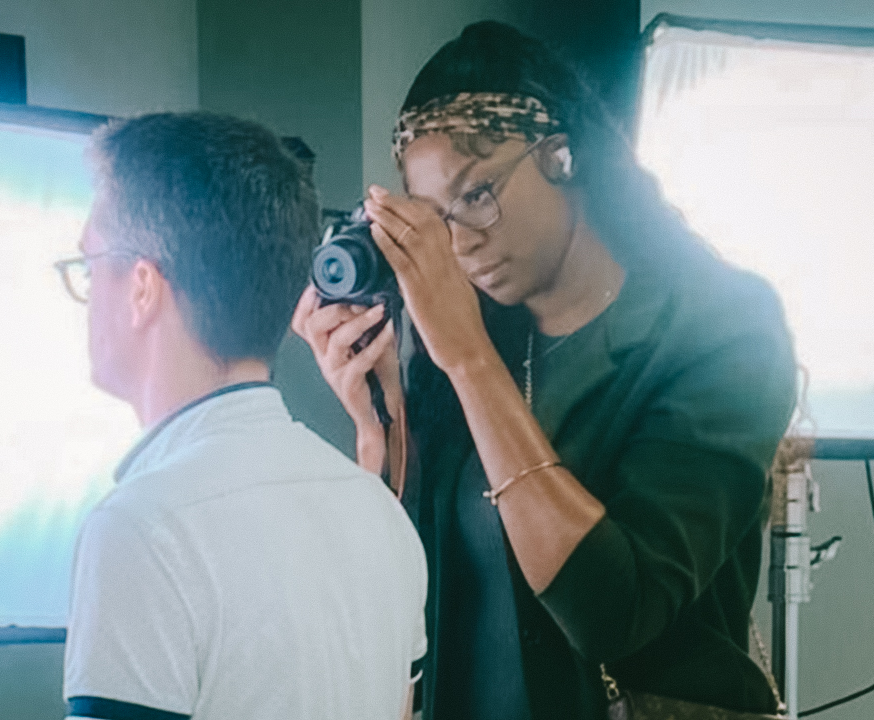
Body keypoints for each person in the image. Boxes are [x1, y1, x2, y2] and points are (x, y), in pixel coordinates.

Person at [292, 21, 796, 720]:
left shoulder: (721, 331)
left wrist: (467, 358)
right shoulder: (474, 342)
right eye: (438, 218)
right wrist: (382, 434)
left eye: (477, 193)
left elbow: (615, 613)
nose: (463, 241)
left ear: (562, 155)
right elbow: (412, 605)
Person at [56, 112, 427, 720]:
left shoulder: (141, 530)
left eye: (90, 266)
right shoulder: (381, 517)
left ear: (142, 287)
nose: (86, 292)